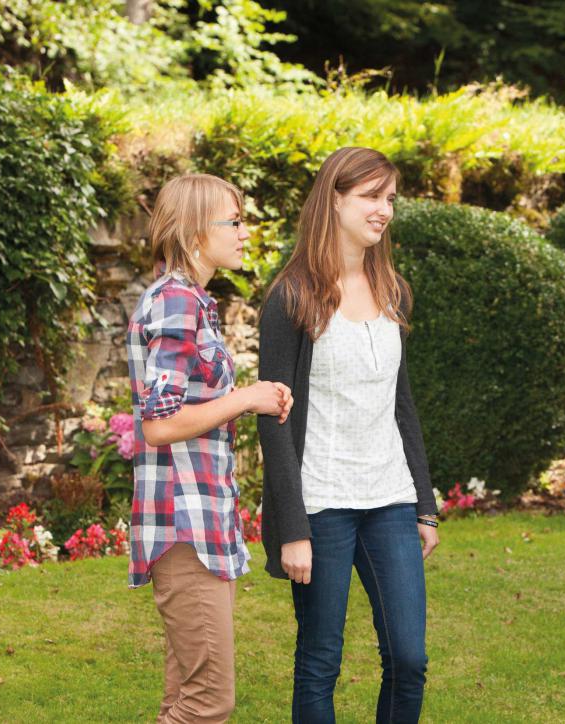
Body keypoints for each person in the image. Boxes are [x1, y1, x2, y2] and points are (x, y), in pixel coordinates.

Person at [257, 146, 439, 724]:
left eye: (390, 199)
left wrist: (425, 506)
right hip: (322, 504)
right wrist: (291, 528)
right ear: (333, 200)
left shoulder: (394, 291)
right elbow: (273, 418)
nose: (384, 210)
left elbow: (401, 404)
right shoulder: (290, 298)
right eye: (371, 197)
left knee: (409, 658)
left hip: (388, 497)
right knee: (320, 661)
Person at [126, 173, 293, 722]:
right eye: (236, 221)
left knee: (183, 697)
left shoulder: (190, 299)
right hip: (184, 527)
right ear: (197, 231)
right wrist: (247, 396)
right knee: (206, 703)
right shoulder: (177, 301)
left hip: (196, 522)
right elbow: (160, 424)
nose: (246, 232)